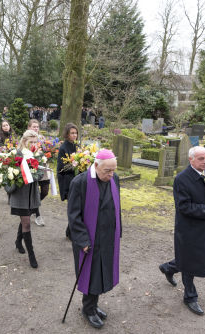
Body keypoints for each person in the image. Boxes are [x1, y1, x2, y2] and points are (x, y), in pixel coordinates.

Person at [158, 146, 205, 316]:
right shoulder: (181, 179)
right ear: (191, 160)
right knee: (189, 260)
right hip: (189, 228)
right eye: (201, 159)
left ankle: (168, 267)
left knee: (195, 256)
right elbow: (183, 206)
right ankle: (190, 297)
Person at [67, 149, 121, 329]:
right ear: (96, 166)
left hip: (107, 237)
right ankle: (88, 309)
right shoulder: (80, 182)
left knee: (101, 272)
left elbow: (117, 207)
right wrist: (82, 240)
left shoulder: (115, 180)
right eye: (108, 171)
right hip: (88, 240)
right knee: (90, 274)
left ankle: (93, 305)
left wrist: (118, 229)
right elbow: (73, 215)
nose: (111, 175)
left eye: (113, 170)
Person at [9, 130, 43, 268]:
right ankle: (31, 255)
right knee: (27, 222)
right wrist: (22, 176)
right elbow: (10, 173)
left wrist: (33, 175)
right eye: (31, 142)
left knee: (26, 218)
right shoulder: (16, 154)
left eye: (35, 142)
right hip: (20, 194)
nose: (34, 144)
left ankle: (18, 241)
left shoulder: (37, 155)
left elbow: (40, 173)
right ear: (24, 141)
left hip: (32, 194)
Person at [57, 123, 78, 239]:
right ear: (67, 134)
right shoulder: (63, 148)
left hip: (78, 179)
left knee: (77, 206)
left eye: (76, 133)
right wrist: (74, 164)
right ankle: (70, 232)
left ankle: (69, 230)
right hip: (68, 180)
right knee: (73, 207)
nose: (74, 135)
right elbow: (61, 168)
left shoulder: (77, 146)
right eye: (72, 133)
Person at [27, 119, 49, 226]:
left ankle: (32, 208)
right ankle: (37, 215)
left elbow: (48, 150)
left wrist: (49, 153)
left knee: (45, 191)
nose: (36, 128)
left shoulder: (43, 139)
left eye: (37, 127)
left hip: (43, 168)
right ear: (29, 128)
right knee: (34, 192)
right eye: (33, 127)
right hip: (32, 168)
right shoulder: (26, 139)